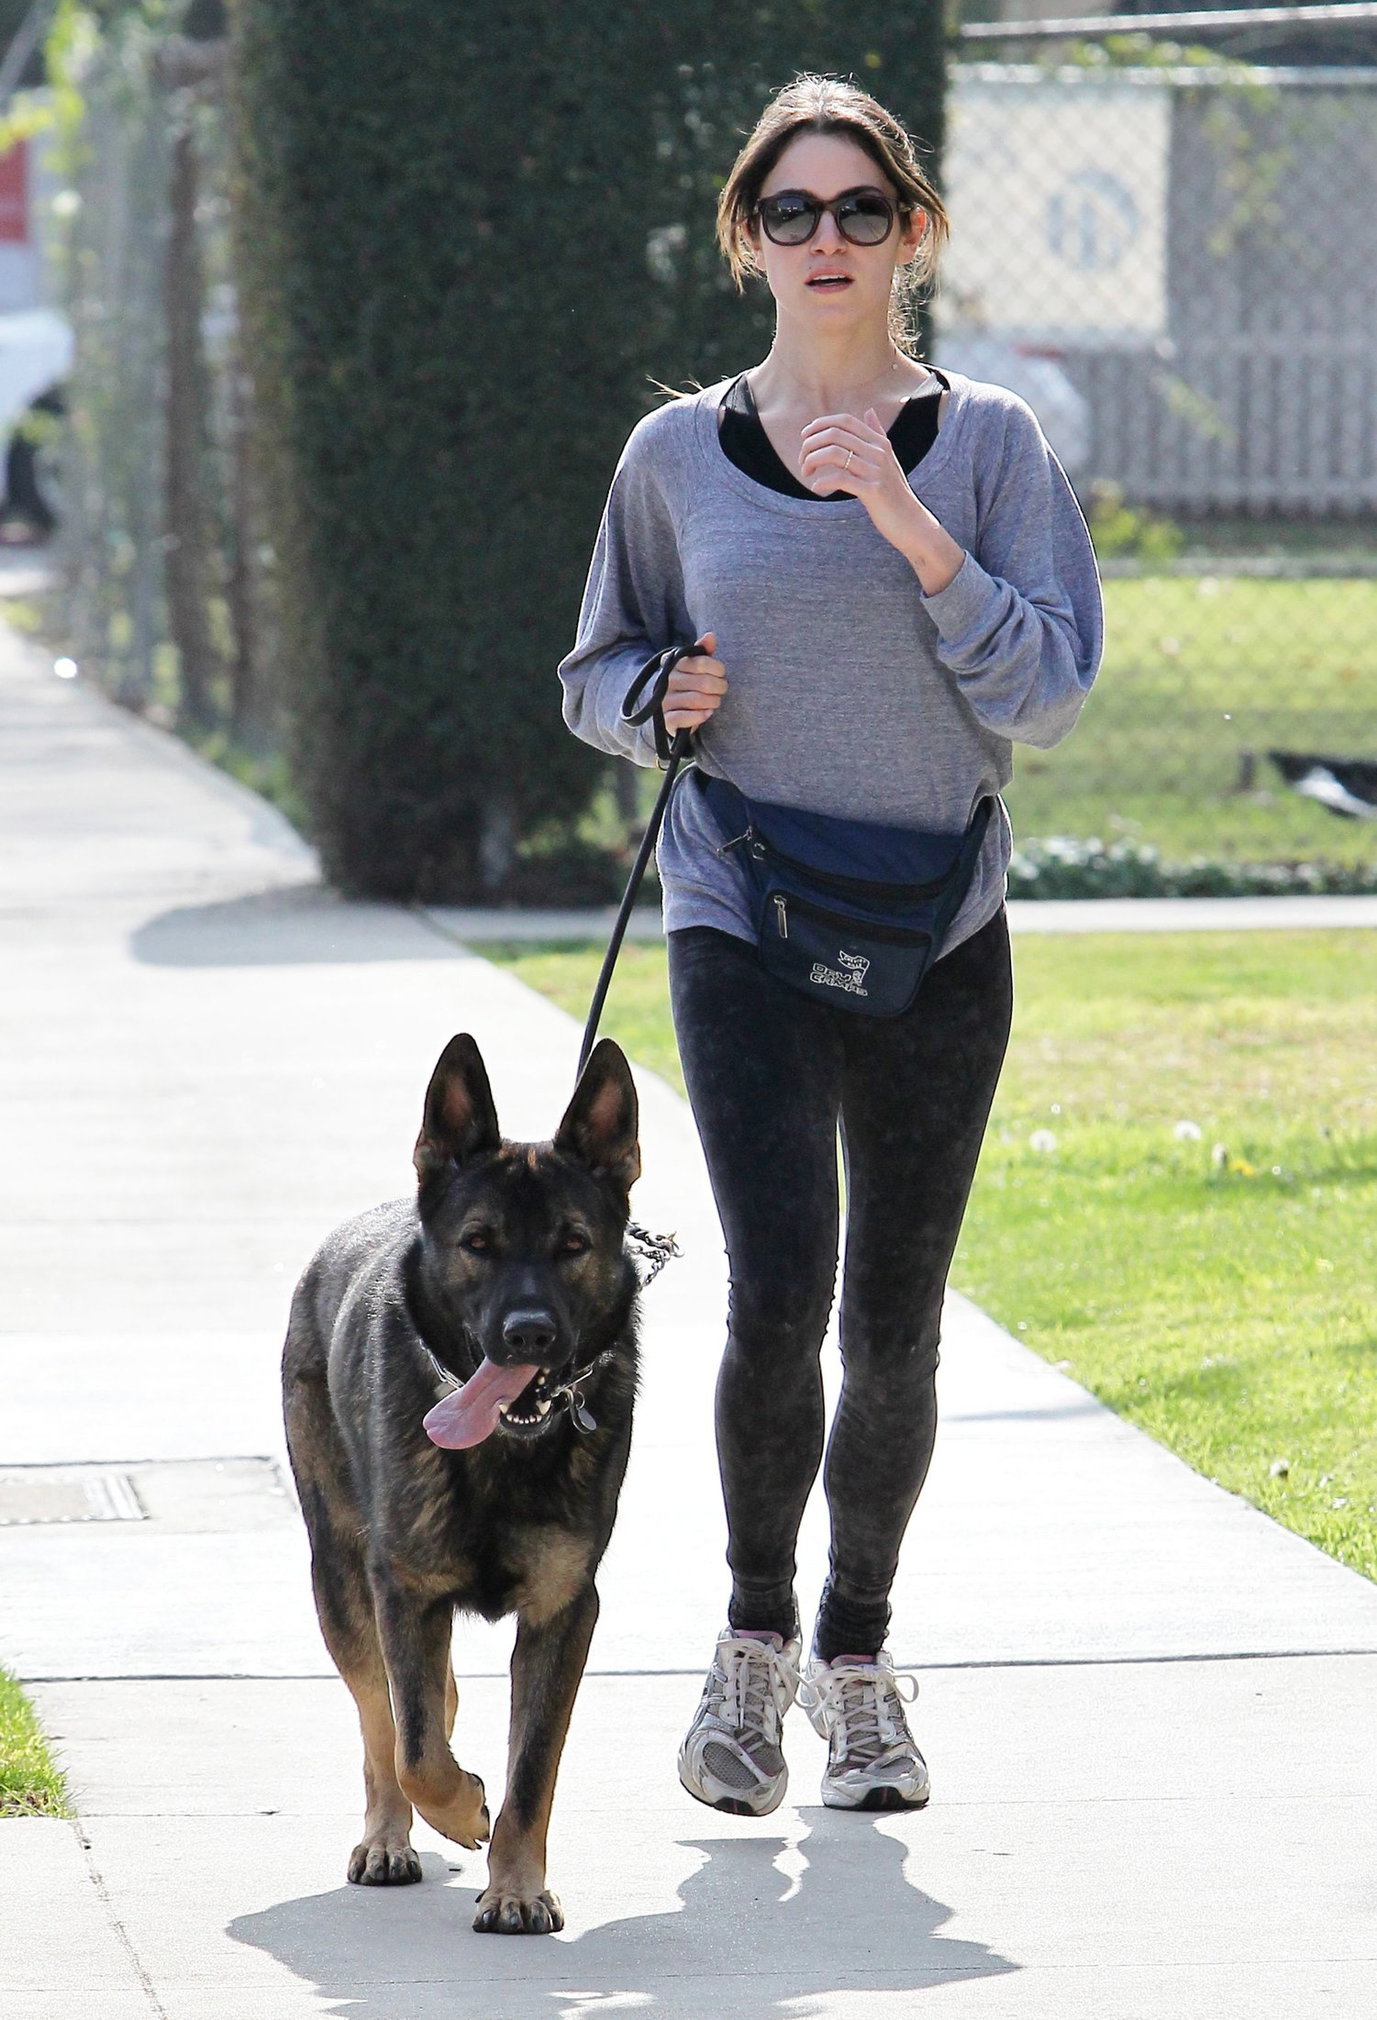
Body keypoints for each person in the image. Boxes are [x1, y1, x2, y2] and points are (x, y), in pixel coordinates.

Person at [559, 74, 1103, 1816]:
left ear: (912, 235)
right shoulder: (671, 454)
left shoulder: (994, 445)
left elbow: (1051, 687)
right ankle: (747, 1663)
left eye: (860, 211)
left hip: (937, 921)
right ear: (745, 239)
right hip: (743, 909)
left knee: (895, 1320)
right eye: (788, 212)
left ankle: (860, 1670)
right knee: (776, 1287)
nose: (825, 241)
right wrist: (660, 697)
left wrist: (906, 522)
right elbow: (594, 675)